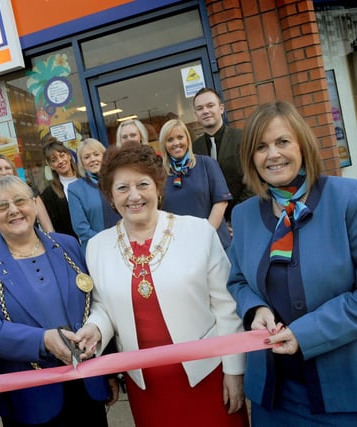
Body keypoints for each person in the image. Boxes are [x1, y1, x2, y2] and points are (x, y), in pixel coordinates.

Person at [227, 101, 357, 426]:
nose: (273, 155)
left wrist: (306, 333)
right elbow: (237, 281)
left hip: (356, 393)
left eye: (282, 142)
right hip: (276, 399)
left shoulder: (352, 198)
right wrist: (254, 309)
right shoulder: (244, 215)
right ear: (251, 157)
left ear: (303, 145)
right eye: (261, 147)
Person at [75, 143, 248, 427]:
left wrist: (234, 370)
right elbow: (103, 307)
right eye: (121, 188)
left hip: (208, 374)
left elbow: (226, 305)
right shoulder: (97, 246)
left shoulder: (198, 231)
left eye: (142, 184)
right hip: (147, 385)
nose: (134, 196)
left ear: (158, 187)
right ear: (109, 196)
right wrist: (94, 329)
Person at [0, 175, 115, 426]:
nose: (13, 210)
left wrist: (107, 368)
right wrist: (43, 340)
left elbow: (95, 303)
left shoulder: (67, 245)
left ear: (34, 204)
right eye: (2, 206)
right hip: (30, 395)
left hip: (86, 381)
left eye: (20, 201)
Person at [159, 119, 232, 248]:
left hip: (213, 241)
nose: (176, 143)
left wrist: (206, 235)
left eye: (180, 137)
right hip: (181, 247)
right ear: (164, 144)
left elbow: (221, 202)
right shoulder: (159, 175)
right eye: (170, 140)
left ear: (187, 139)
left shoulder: (206, 164)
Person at [193, 88, 252, 222]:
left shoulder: (242, 139)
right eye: (200, 108)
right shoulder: (193, 149)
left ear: (221, 108)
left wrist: (235, 218)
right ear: (196, 114)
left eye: (210, 105)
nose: (206, 111)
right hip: (211, 224)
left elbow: (252, 182)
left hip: (243, 217)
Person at [0, 154, 54, 245]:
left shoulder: (31, 193)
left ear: (13, 171)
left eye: (7, 168)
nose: (4, 172)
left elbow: (49, 230)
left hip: (37, 247)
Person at [67, 138, 120, 253]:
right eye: (87, 157)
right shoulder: (75, 189)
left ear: (104, 157)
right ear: (82, 163)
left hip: (126, 245)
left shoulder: (117, 181)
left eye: (96, 154)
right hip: (97, 250)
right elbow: (81, 228)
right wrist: (107, 242)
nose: (93, 159)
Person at [40, 139, 79, 237]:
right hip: (72, 245)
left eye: (62, 155)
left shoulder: (87, 181)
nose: (60, 161)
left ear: (69, 156)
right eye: (54, 160)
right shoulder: (49, 194)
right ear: (51, 166)